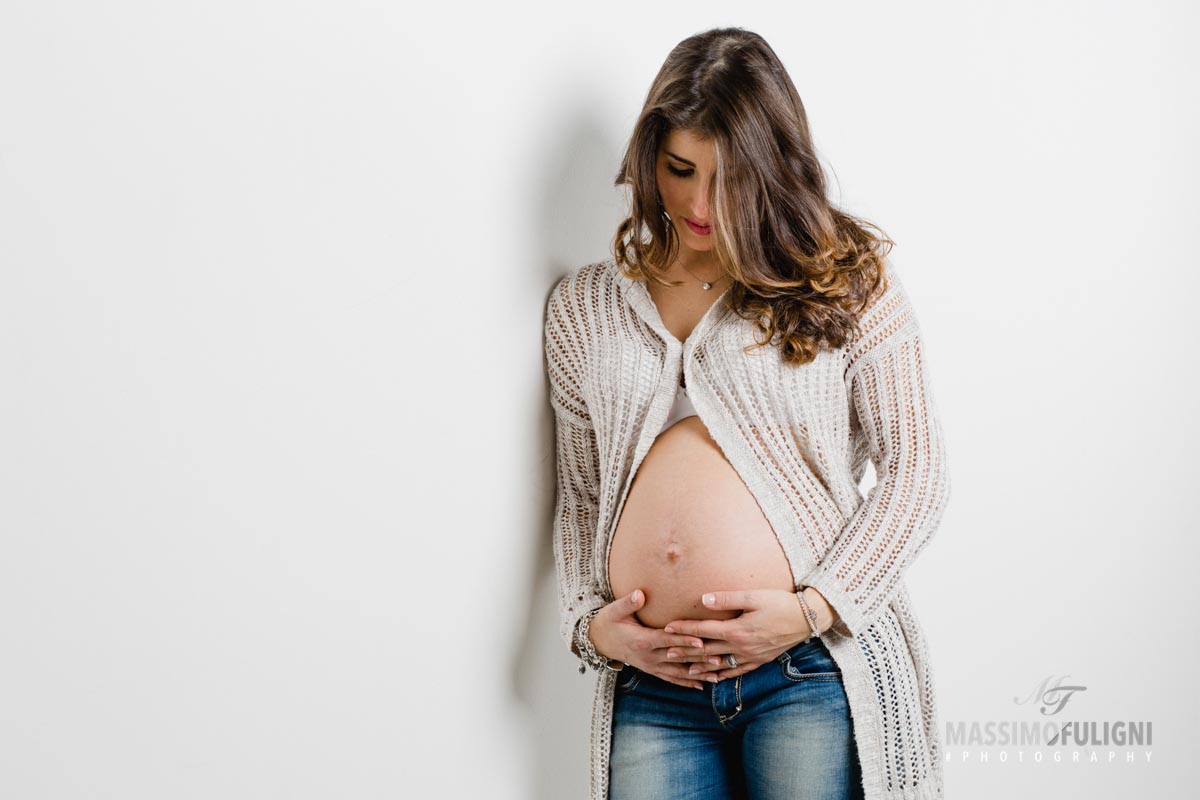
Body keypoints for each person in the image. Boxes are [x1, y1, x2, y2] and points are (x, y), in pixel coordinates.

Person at [543, 27, 952, 800]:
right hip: (652, 691)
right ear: (648, 159)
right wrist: (591, 628)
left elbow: (917, 472)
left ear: (771, 169)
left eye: (727, 178)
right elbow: (582, 499)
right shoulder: (585, 308)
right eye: (679, 170)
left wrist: (813, 609)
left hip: (807, 670)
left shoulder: (846, 280)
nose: (698, 204)